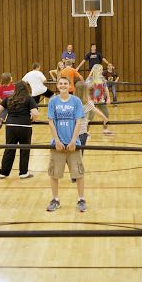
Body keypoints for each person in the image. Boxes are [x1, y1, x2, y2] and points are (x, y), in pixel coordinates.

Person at [46, 76, 86, 212]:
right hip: (57, 145)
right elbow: (51, 121)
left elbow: (78, 121)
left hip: (74, 144)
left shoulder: (76, 101)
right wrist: (56, 140)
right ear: (57, 86)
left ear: (70, 86)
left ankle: (81, 199)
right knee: (54, 174)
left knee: (79, 173)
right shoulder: (53, 101)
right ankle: (55, 199)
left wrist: (74, 140)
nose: (63, 85)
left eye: (65, 83)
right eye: (60, 83)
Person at [0, 81, 39, 179]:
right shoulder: (29, 98)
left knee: (9, 149)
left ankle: (3, 173)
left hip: (10, 126)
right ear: (26, 89)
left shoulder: (8, 98)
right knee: (25, 149)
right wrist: (33, 120)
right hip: (25, 126)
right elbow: (35, 113)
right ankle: (23, 173)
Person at [86, 64, 113, 134]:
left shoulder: (102, 78)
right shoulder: (90, 79)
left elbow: (106, 88)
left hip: (100, 100)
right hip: (92, 101)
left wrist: (108, 98)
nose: (101, 71)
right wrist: (89, 100)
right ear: (96, 70)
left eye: (102, 69)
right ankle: (86, 132)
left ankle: (105, 129)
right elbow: (86, 90)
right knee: (90, 117)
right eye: (100, 69)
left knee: (106, 113)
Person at [0, 72, 15, 141]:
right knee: (1, 120)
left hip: (13, 106)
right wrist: (3, 102)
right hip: (5, 107)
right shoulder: (0, 87)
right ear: (8, 79)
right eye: (11, 77)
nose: (12, 78)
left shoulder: (13, 86)